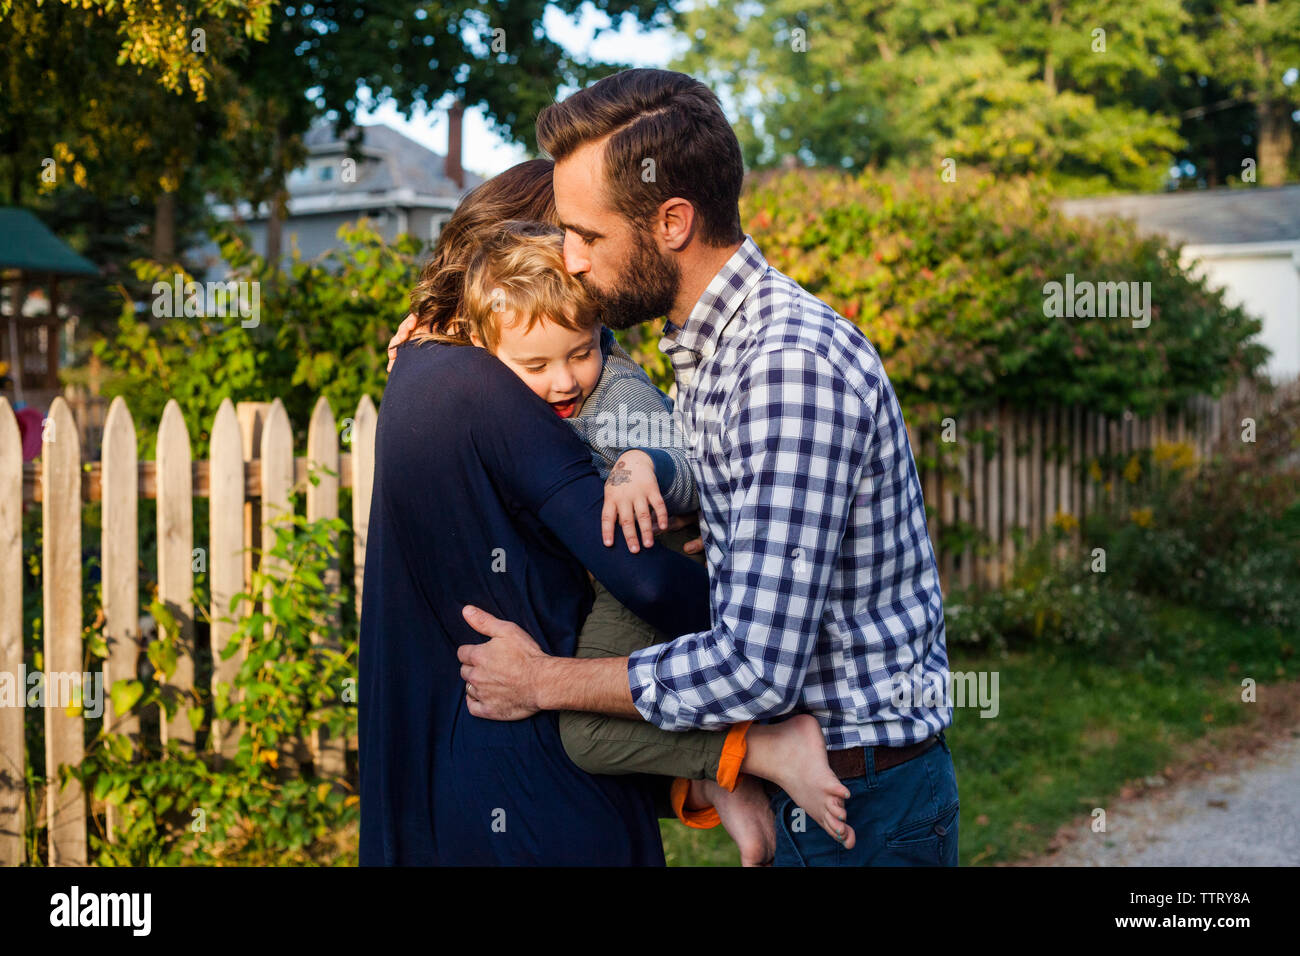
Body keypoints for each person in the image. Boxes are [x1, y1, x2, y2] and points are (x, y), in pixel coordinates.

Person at [456, 67, 961, 867]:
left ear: (671, 222)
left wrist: (543, 682)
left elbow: (754, 670)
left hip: (858, 806)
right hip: (833, 791)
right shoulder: (711, 352)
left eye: (587, 235)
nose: (573, 261)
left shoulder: (785, 368)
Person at [392, 218, 855, 851]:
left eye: (581, 352)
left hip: (647, 561)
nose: (564, 380)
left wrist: (646, 466)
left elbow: (692, 471)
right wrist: (425, 341)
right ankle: (717, 781)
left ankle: (763, 748)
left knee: (585, 733)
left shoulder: (617, 395)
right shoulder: (497, 378)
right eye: (536, 365)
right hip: (607, 572)